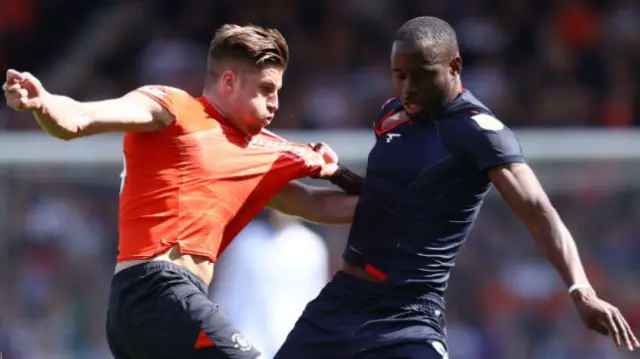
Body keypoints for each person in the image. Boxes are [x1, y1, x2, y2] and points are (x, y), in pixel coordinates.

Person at [274, 16, 640, 359]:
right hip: (340, 303)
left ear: (454, 66)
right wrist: (322, 177)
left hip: (408, 318)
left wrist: (581, 290)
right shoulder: (391, 115)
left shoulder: (479, 132)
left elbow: (540, 214)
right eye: (398, 75)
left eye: (420, 75)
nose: (407, 87)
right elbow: (380, 201)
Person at [3, 24, 362, 359]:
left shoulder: (260, 153)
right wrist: (43, 103)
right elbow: (78, 118)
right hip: (161, 291)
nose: (275, 103)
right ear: (229, 81)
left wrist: (405, 205)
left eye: (278, 92)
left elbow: (316, 204)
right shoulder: (174, 108)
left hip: (147, 310)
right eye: (266, 89)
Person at [211, 210, 329, 359]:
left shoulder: (311, 246)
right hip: (244, 336)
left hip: (289, 339)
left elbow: (315, 296)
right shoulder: (244, 239)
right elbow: (224, 291)